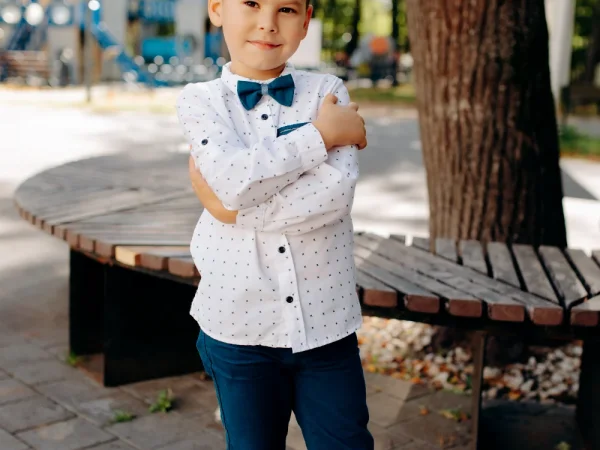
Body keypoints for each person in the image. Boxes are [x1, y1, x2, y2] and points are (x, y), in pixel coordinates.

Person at [175, 0, 372, 448]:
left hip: (326, 326)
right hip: (237, 327)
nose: (267, 23)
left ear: (305, 20)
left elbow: (333, 196)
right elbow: (231, 180)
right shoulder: (200, 100)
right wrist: (320, 135)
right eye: (251, 3)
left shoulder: (329, 91)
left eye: (285, 8)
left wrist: (234, 212)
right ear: (217, 9)